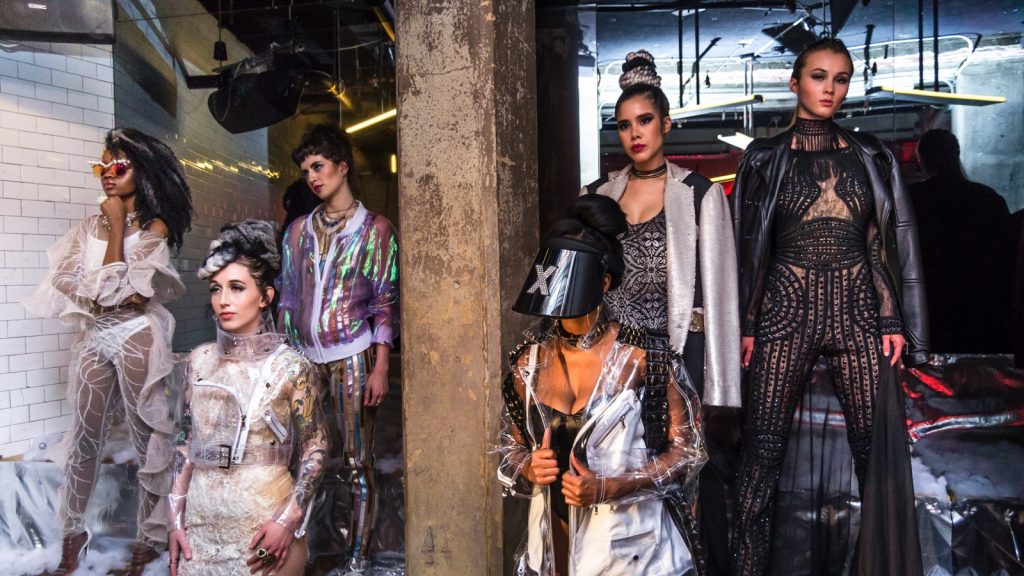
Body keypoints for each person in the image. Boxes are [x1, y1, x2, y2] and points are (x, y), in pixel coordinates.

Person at [731, 38, 927, 575]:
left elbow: (878, 241)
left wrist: (891, 316)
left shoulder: (870, 155)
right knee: (759, 460)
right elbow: (749, 247)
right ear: (795, 82)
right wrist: (746, 323)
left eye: (841, 79)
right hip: (783, 313)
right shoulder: (763, 158)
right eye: (819, 77)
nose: (830, 89)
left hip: (858, 312)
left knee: (877, 458)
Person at [582, 49, 741, 576]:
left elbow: (721, 297)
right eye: (624, 125)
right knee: (618, 480)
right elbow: (582, 287)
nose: (635, 134)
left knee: (685, 483)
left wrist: (721, 394)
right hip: (613, 367)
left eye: (645, 120)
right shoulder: (596, 195)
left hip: (678, 362)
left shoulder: (698, 194)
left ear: (666, 124)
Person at [497, 194, 707, 576]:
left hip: (630, 551)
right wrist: (528, 466)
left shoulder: (643, 357)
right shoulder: (529, 364)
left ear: (604, 281)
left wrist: (614, 486)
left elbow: (687, 452)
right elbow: (512, 447)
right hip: (551, 545)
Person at [23, 128, 192, 576]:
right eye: (102, 165)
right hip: (95, 336)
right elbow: (65, 281)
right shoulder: (86, 226)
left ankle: (151, 538)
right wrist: (104, 290)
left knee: (147, 439)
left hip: (137, 336)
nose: (107, 174)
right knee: (84, 439)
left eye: (119, 166)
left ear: (141, 171)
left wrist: (117, 225)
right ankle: (72, 534)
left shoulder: (155, 227)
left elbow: (121, 287)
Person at [167, 220, 327, 576]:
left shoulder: (291, 367)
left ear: (265, 296)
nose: (223, 300)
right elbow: (186, 444)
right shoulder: (198, 361)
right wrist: (175, 519)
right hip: (201, 528)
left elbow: (316, 447)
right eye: (216, 289)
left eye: (236, 288)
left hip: (262, 526)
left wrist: (288, 520)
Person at [277, 123, 400, 574]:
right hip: (303, 361)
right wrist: (283, 360)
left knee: (356, 462)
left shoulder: (376, 230)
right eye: (306, 170)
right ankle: (303, 551)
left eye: (319, 166)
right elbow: (288, 299)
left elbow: (384, 302)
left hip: (354, 355)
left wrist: (380, 367)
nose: (312, 177)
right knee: (303, 457)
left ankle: (356, 559)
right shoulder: (297, 232)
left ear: (342, 166)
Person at [909, 128, 1013, 353]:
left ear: (922, 160)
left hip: (930, 307)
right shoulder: (988, 199)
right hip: (980, 306)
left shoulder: (911, 200)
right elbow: (1006, 258)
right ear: (956, 155)